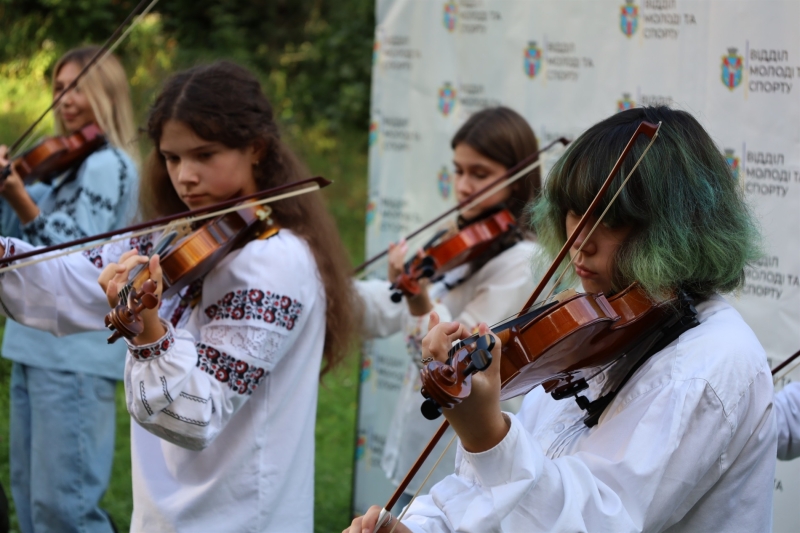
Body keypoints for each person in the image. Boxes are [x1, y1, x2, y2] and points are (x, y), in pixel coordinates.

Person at [346, 106, 776, 533]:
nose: (580, 241)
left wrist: (488, 436)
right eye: (574, 211)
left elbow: (596, 521)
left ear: (678, 229)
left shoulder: (710, 364)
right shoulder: (593, 326)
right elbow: (489, 496)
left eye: (611, 219)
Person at [0, 60, 358, 533]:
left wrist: (146, 331)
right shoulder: (179, 236)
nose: (184, 176)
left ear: (255, 148)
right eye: (171, 158)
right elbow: (72, 281)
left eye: (203, 155)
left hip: (238, 518)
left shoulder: (273, 262)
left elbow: (194, 414)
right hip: (164, 516)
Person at [357, 107, 544, 508]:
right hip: (426, 434)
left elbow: (462, 357)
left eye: (479, 173)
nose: (462, 186)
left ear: (516, 178)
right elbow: (397, 312)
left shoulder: (524, 259)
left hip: (466, 454)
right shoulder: (462, 239)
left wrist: (420, 300)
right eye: (458, 171)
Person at [0, 46, 139, 533]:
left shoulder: (109, 165)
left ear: (107, 92)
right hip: (32, 345)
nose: (65, 99)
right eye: (58, 88)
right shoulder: (52, 171)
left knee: (66, 510)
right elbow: (9, 244)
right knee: (34, 504)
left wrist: (17, 194)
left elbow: (78, 256)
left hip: (76, 352)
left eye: (77, 86)